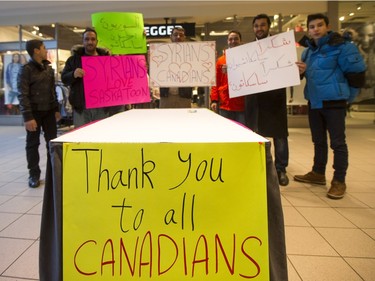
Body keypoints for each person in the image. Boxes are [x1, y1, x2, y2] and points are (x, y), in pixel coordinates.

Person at [295, 13, 366, 199]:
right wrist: (299, 73)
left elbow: (357, 76)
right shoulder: (307, 52)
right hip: (315, 102)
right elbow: (305, 76)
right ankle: (318, 173)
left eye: (319, 25)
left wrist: (346, 98)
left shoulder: (342, 47)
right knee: (318, 141)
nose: (316, 29)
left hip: (334, 103)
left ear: (327, 26)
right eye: (312, 26)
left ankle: (339, 180)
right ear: (308, 29)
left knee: (338, 143)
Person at [245, 14, 290, 186]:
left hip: (275, 98)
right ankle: (259, 166)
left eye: (262, 25)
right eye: (256, 26)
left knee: (279, 134)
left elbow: (288, 70)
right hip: (255, 99)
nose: (259, 29)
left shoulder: (281, 47)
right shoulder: (247, 51)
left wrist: (297, 71)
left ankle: (281, 169)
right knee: (256, 132)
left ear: (269, 26)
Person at [18, 39, 61, 188]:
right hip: (34, 113)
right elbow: (22, 95)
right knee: (32, 144)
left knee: (52, 143)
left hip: (49, 111)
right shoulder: (26, 70)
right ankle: (34, 174)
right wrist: (28, 117)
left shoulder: (48, 68)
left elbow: (52, 90)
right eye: (43, 47)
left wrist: (56, 109)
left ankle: (54, 173)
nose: (45, 50)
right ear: (36, 50)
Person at [61, 27, 123, 128]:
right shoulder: (73, 60)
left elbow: (120, 75)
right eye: (87, 39)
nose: (90, 42)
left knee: (100, 136)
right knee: (81, 137)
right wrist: (73, 74)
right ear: (83, 41)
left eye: (93, 39)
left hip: (102, 106)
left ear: (97, 41)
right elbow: (64, 79)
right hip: (81, 107)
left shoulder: (106, 59)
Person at [210, 30, 245, 124]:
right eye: (230, 39)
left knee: (242, 134)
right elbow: (215, 82)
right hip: (225, 103)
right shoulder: (220, 61)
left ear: (240, 41)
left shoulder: (246, 59)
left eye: (236, 39)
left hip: (242, 104)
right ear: (227, 41)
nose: (233, 41)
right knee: (226, 133)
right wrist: (214, 100)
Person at [159, 27, 194, 108]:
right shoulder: (162, 53)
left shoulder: (191, 54)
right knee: (165, 119)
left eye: (181, 35)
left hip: (184, 96)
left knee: (184, 119)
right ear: (171, 37)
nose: (178, 37)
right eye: (175, 34)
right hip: (166, 95)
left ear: (184, 38)